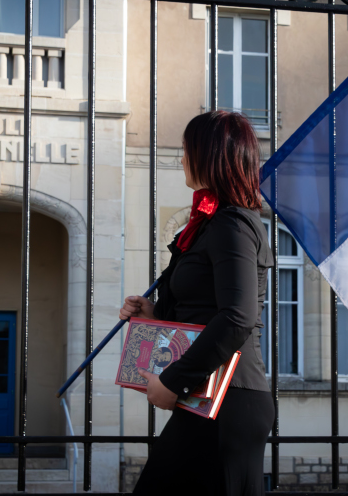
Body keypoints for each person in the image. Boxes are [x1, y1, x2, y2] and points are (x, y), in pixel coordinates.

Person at [119, 111, 275, 496]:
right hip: (207, 398)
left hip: (227, 402)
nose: (182, 158)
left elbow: (238, 318)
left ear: (209, 155)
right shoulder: (214, 222)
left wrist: (173, 381)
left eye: (188, 149)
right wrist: (153, 315)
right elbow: (205, 313)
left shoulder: (232, 224)